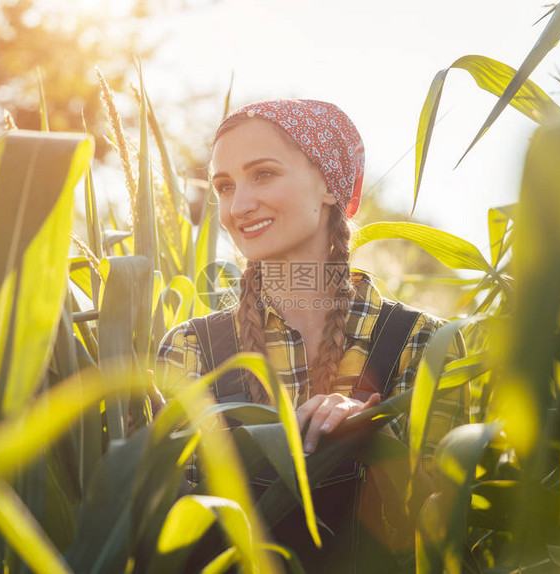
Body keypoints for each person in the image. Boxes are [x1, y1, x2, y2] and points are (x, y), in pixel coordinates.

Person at [155, 99, 469, 572]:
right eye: (224, 185)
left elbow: (438, 534)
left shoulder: (423, 344)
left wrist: (374, 435)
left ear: (328, 184)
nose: (238, 206)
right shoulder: (189, 350)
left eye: (263, 174)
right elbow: (173, 536)